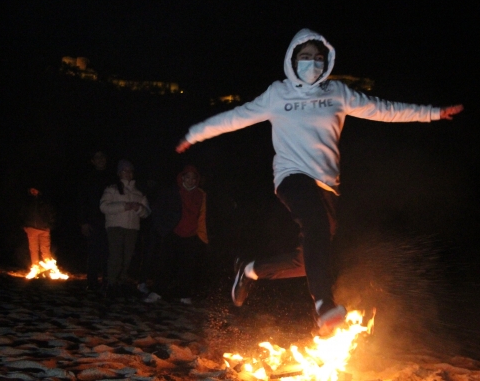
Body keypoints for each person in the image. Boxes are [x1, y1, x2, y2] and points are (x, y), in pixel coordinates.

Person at [175, 28, 464, 336]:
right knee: (315, 226)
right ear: (292, 60)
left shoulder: (337, 93)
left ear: (326, 61)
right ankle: (325, 305)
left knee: (307, 260)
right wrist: (195, 133)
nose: (311, 63)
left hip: (327, 186)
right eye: (304, 57)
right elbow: (234, 117)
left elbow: (385, 109)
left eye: (317, 58)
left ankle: (250, 269)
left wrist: (432, 113)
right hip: (292, 177)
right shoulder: (278, 94)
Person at [145, 165, 209, 304]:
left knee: (187, 267)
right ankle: (157, 291)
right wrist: (162, 230)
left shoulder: (201, 195)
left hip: (192, 235)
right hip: (173, 233)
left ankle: (184, 294)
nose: (190, 180)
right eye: (188, 177)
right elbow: (159, 210)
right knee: (165, 265)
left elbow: (204, 216)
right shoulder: (173, 192)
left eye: (193, 178)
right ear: (182, 177)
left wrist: (202, 236)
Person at [100, 159, 151, 296]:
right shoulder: (112, 189)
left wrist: (138, 208)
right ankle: (110, 283)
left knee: (128, 257)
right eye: (124, 170)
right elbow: (104, 207)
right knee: (116, 256)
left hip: (132, 228)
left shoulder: (138, 193)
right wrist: (124, 206)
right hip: (115, 227)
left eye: (130, 171)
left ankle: (121, 282)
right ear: (119, 173)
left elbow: (146, 212)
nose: (127, 173)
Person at [77, 150, 116, 291]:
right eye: (97, 157)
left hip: (110, 220)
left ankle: (107, 280)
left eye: (102, 157)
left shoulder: (113, 178)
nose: (100, 160)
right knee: (93, 252)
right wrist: (83, 222)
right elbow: (82, 201)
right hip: (93, 220)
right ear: (93, 161)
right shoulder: (87, 179)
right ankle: (92, 282)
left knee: (108, 252)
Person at [20, 186, 57, 279]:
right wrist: (24, 225)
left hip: (44, 229)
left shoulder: (44, 201)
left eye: (35, 189)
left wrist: (50, 225)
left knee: (45, 250)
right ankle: (35, 268)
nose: (33, 191)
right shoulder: (27, 201)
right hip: (31, 228)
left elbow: (52, 213)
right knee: (33, 249)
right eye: (31, 189)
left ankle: (48, 269)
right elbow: (22, 214)